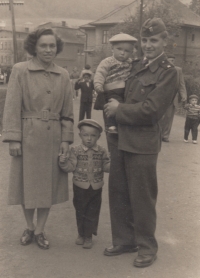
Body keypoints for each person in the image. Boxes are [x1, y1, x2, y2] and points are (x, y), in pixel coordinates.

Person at [104, 18, 178, 267]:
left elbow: (151, 110)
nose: (148, 45)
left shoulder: (169, 72)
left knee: (142, 197)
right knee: (119, 192)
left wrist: (118, 109)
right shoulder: (134, 65)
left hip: (144, 144)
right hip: (120, 139)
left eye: (153, 40)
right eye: (144, 40)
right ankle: (125, 240)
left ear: (164, 41)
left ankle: (147, 247)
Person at [2, 28, 74, 250]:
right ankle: (29, 227)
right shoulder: (20, 70)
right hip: (28, 136)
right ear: (34, 47)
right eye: (44, 45)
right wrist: (14, 138)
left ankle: (41, 229)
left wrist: (66, 139)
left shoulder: (63, 74)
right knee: (27, 185)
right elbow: (12, 105)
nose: (48, 50)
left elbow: (68, 113)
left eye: (52, 45)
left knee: (48, 187)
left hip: (53, 139)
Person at [59, 119, 110, 249]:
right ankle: (81, 234)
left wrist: (114, 161)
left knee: (93, 212)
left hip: (96, 187)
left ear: (98, 136)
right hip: (80, 187)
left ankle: (88, 236)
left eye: (93, 136)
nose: (89, 139)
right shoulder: (75, 151)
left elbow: (106, 167)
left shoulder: (102, 151)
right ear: (80, 135)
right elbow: (70, 167)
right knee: (80, 211)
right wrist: (63, 162)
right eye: (85, 135)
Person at [94, 33, 137, 133]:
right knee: (112, 104)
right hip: (112, 89)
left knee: (124, 105)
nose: (122, 53)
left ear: (131, 53)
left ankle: (121, 124)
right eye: (119, 49)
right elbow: (100, 73)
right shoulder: (108, 61)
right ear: (112, 49)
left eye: (127, 51)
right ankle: (111, 125)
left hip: (125, 89)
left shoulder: (130, 62)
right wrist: (98, 84)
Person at [160, 54, 187, 142]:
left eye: (173, 60)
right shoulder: (162, 69)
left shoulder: (178, 70)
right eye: (170, 60)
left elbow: (181, 84)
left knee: (169, 117)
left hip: (173, 97)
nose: (171, 62)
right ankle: (158, 134)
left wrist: (184, 96)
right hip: (162, 97)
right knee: (160, 116)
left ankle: (165, 136)